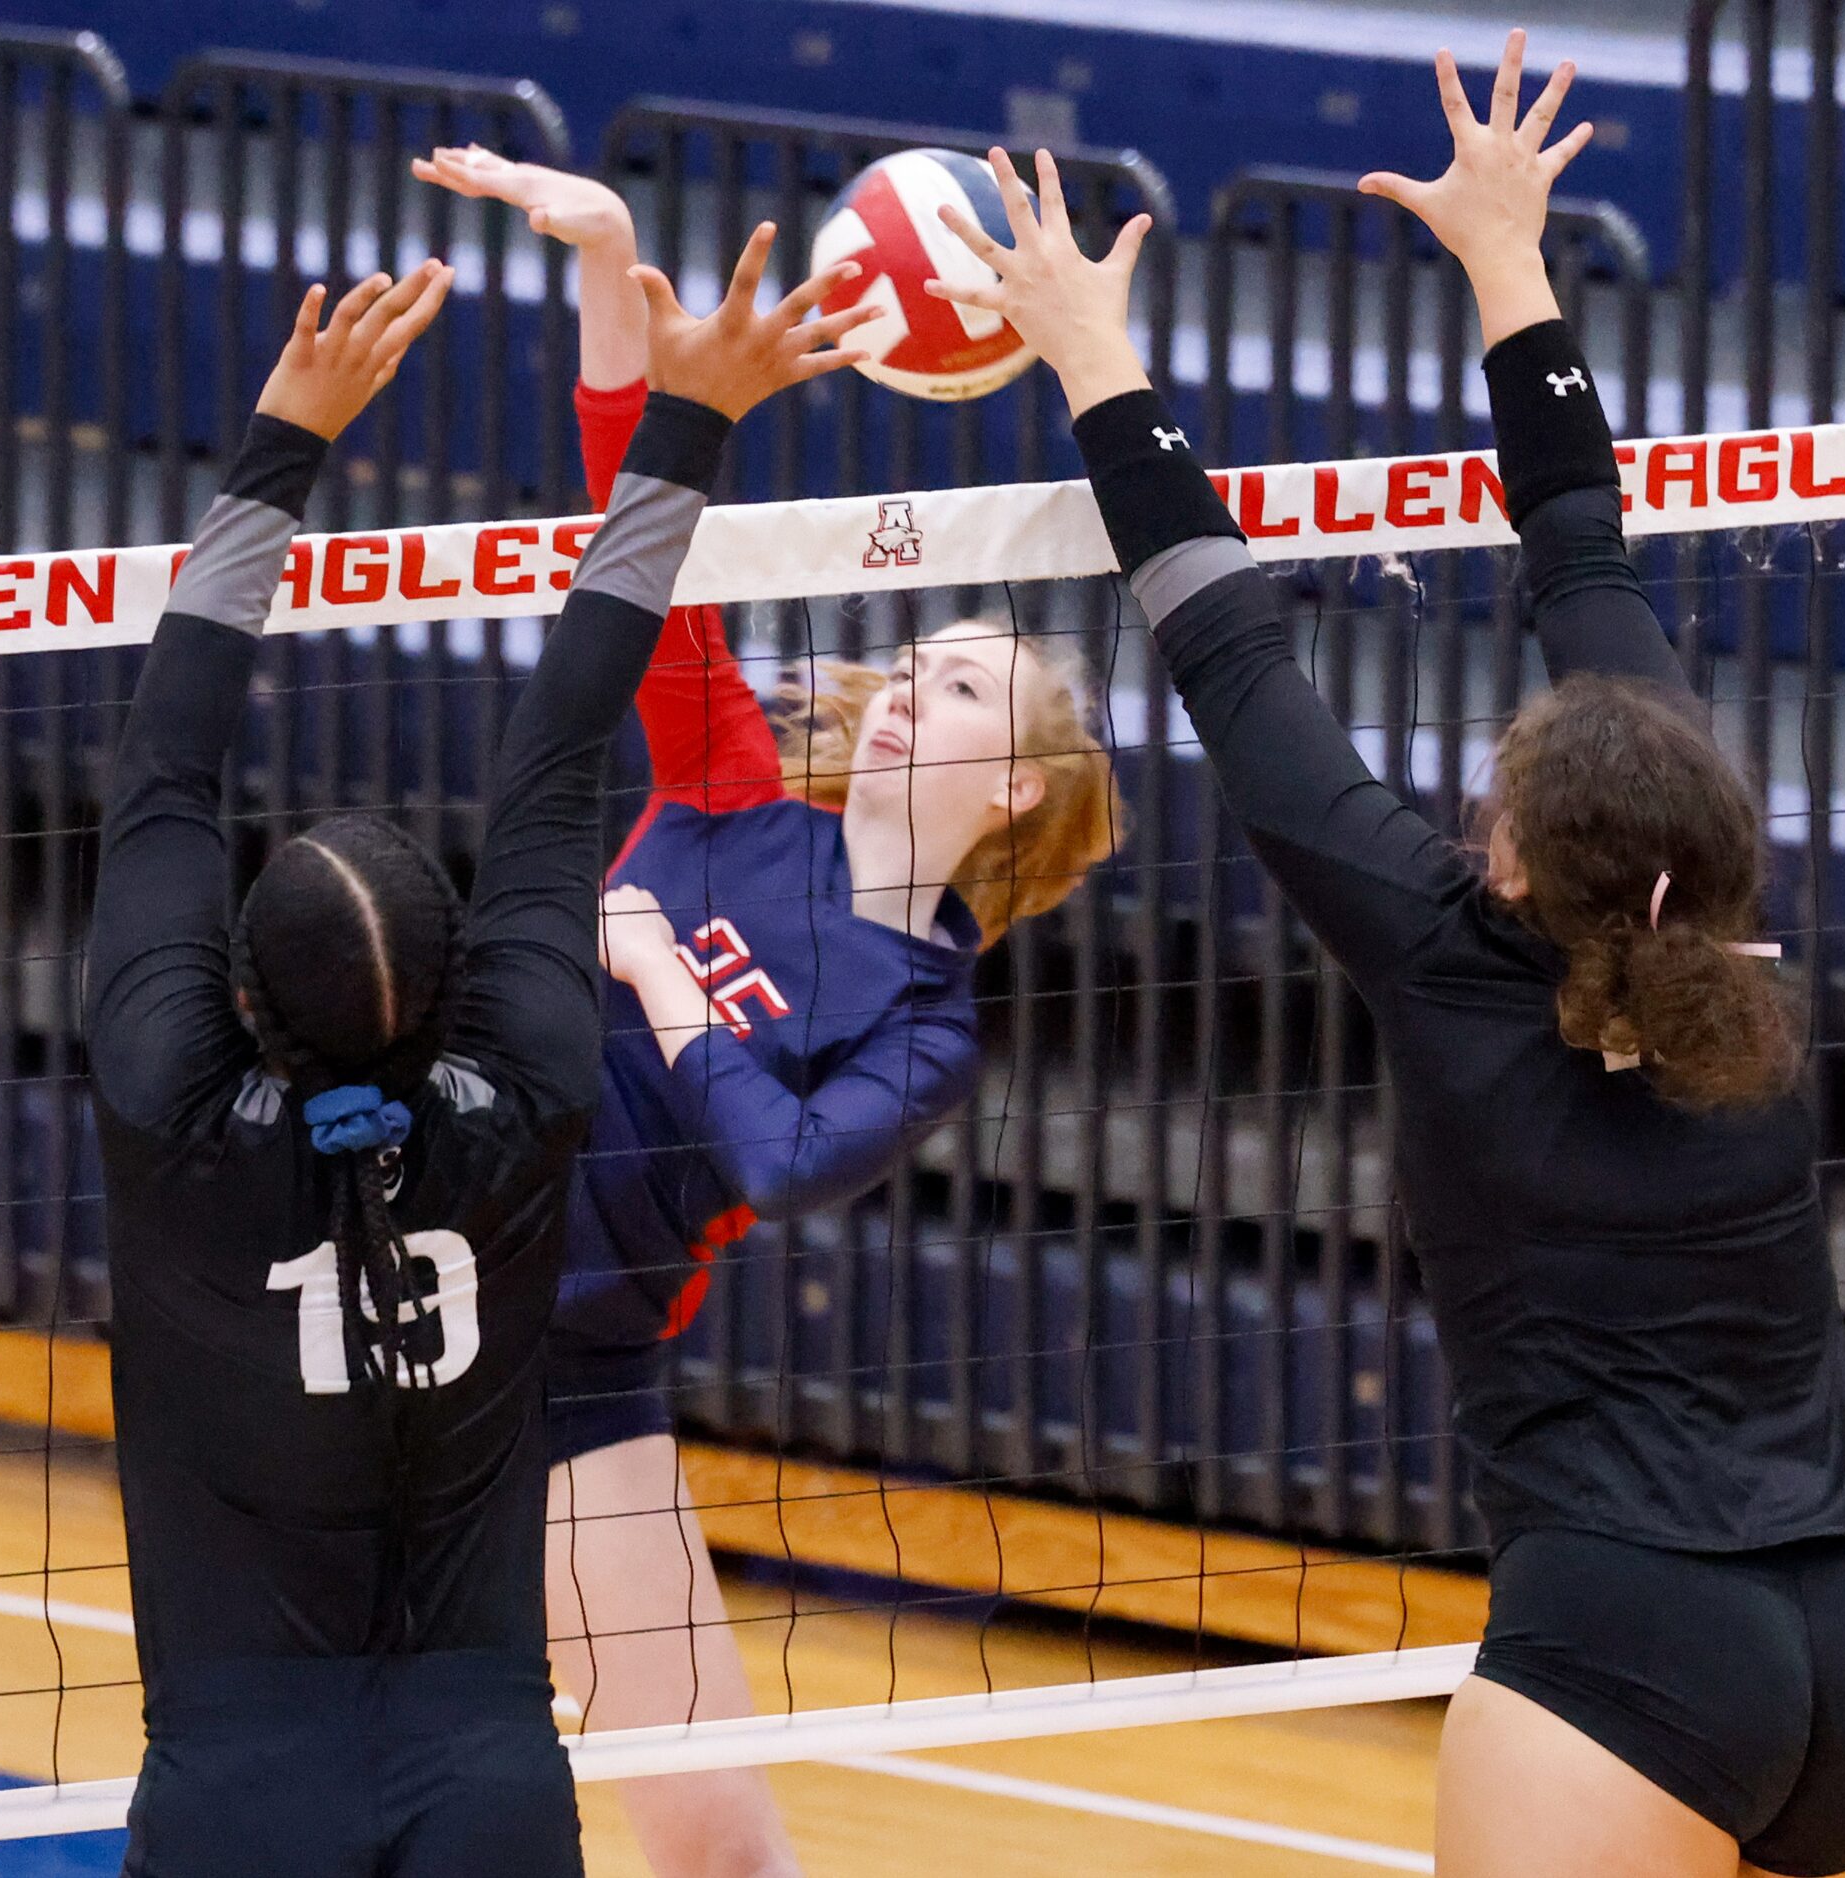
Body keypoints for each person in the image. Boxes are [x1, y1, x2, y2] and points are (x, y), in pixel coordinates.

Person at [926, 35, 1845, 1878]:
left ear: (1520, 859)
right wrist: (1510, 263)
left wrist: (1090, 356)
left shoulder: (1453, 961)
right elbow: (1583, 555)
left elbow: (1234, 653)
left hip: (1636, 1645)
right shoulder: (1731, 950)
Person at [87, 232, 867, 1878]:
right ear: (460, 977)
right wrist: (688, 427)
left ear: (239, 987)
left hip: (242, 1800)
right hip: (488, 1796)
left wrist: (284, 439)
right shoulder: (525, 1097)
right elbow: (560, 750)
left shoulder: (173, 1109)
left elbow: (163, 773)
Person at [414, 144, 1127, 1878]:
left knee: (719, 1844)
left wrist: (656, 970)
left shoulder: (929, 1028)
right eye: (915, 660)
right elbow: (630, 528)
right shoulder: (736, 779)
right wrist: (607, 270)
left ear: (1017, 791)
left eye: (955, 683)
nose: (902, 690)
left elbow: (783, 1156)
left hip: (574, 1349)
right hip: (406, 1262)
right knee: (355, 1768)